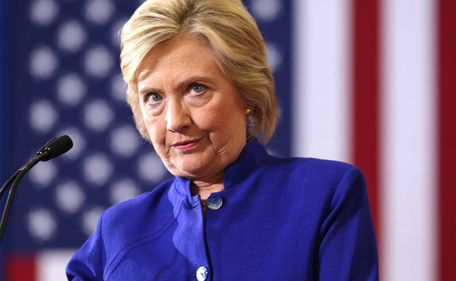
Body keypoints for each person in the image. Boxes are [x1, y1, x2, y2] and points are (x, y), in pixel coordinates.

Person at [66, 0, 379, 280]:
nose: (175, 121)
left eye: (196, 89)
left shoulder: (324, 196)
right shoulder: (119, 230)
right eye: (153, 97)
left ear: (246, 91)